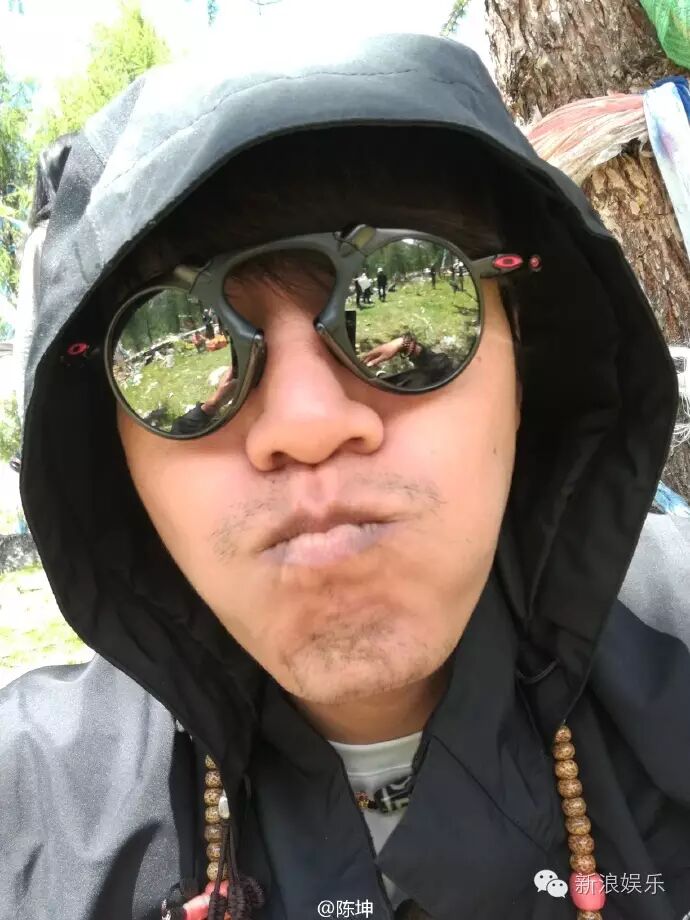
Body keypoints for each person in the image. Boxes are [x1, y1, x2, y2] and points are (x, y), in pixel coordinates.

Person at [2, 33, 690, 920]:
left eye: (410, 298)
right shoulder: (33, 823)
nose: (306, 424)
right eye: (171, 337)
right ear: (109, 449)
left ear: (525, 368)